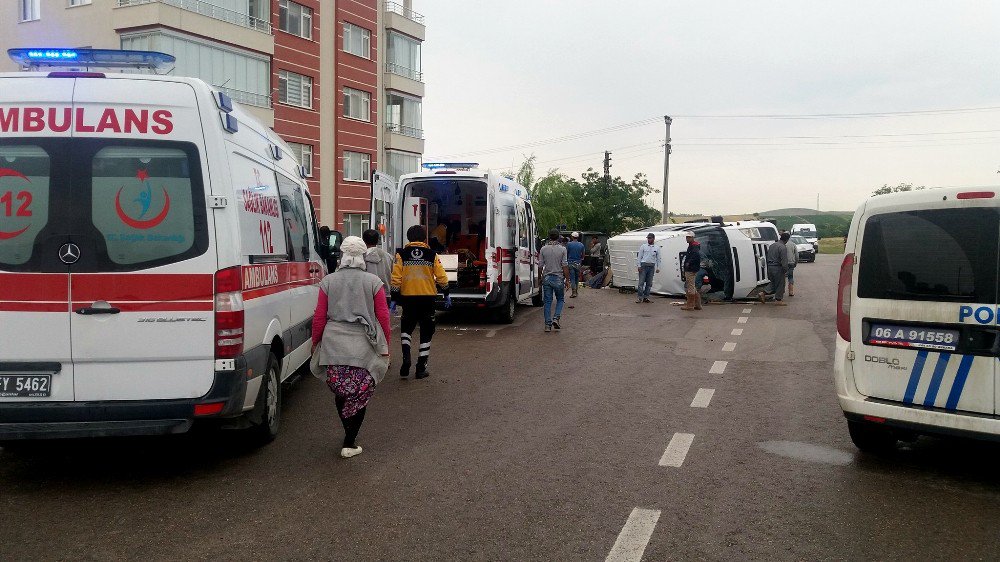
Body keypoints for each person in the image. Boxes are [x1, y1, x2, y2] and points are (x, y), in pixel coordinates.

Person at [312, 236, 391, 459]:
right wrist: (386, 345)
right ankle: (350, 440)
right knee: (360, 392)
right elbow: (383, 316)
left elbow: (319, 317)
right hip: (363, 346)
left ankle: (348, 435)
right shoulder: (373, 282)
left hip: (333, 345)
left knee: (340, 390)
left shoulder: (328, 281)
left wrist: (315, 342)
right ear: (363, 255)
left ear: (342, 256)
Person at [391, 225, 450, 379]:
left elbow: (396, 278)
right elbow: (441, 276)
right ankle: (420, 367)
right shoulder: (432, 254)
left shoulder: (401, 254)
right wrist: (446, 293)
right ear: (425, 238)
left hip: (408, 298)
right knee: (427, 331)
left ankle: (406, 359)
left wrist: (394, 298)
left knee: (406, 329)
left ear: (408, 237)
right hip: (427, 298)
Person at [538, 228, 570, 332]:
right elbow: (565, 265)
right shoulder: (562, 249)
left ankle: (547, 325)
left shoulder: (543, 249)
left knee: (547, 301)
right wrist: (568, 280)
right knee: (560, 299)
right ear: (559, 237)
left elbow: (540, 265)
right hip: (558, 278)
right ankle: (556, 318)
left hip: (547, 277)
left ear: (549, 236)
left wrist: (539, 277)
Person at [362, 229, 393, 301]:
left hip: (367, 295)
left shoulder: (361, 257)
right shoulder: (388, 257)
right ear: (377, 240)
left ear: (363, 241)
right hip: (385, 294)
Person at [760, 232, 790, 305]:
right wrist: (785, 269)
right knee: (780, 284)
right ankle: (778, 300)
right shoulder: (782, 247)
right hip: (778, 268)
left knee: (773, 283)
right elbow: (784, 260)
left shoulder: (772, 245)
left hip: (770, 267)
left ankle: (762, 293)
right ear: (787, 239)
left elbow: (767, 256)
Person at [635, 232, 660, 303]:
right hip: (644, 265)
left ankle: (646, 297)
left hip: (651, 266)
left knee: (649, 283)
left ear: (653, 239)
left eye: (650, 238)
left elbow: (658, 258)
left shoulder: (657, 248)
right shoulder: (643, 246)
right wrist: (639, 266)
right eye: (648, 238)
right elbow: (639, 257)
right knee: (641, 282)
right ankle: (640, 297)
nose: (648, 239)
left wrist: (658, 267)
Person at [680, 234, 703, 311]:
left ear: (693, 238)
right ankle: (698, 305)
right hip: (692, 268)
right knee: (692, 286)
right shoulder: (693, 245)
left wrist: (689, 262)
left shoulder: (694, 246)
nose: (687, 238)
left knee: (690, 287)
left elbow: (695, 256)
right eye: (686, 237)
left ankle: (690, 305)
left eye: (689, 237)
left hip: (691, 269)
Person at [566, 232, 586, 298]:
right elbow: (583, 255)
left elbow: (566, 253)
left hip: (571, 262)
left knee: (572, 278)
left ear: (572, 237)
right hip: (578, 263)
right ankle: (576, 291)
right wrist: (580, 259)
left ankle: (573, 292)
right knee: (577, 277)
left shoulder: (569, 244)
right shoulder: (581, 245)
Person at [784, 231, 798, 297]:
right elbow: (797, 255)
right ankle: (791, 291)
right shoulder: (793, 244)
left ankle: (781, 291)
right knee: (790, 277)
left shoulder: (782, 243)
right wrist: (795, 263)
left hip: (783, 263)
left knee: (782, 277)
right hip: (791, 263)